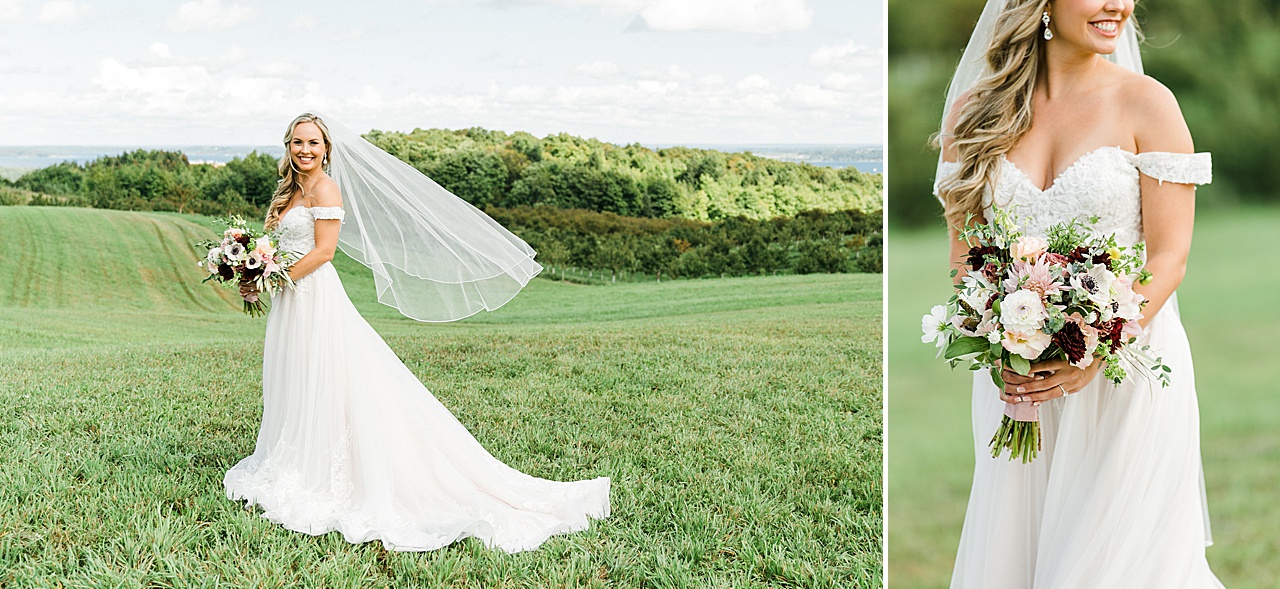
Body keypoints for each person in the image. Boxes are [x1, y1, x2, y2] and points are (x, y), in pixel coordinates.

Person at [933, 0, 1223, 586]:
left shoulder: (1148, 102)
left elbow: (1170, 257)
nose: (1117, 3)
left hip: (1125, 372)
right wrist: (1001, 338)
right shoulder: (975, 114)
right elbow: (966, 256)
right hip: (1017, 384)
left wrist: (1095, 349)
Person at [224, 113, 610, 553]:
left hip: (312, 294)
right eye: (297, 142)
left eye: (313, 142)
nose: (304, 150)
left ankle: (327, 469)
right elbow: (274, 245)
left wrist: (277, 276)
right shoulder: (291, 189)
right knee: (295, 375)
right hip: (290, 296)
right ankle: (295, 454)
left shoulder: (326, 188)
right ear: (288, 146)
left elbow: (326, 252)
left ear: (327, 148)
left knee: (328, 374)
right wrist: (254, 271)